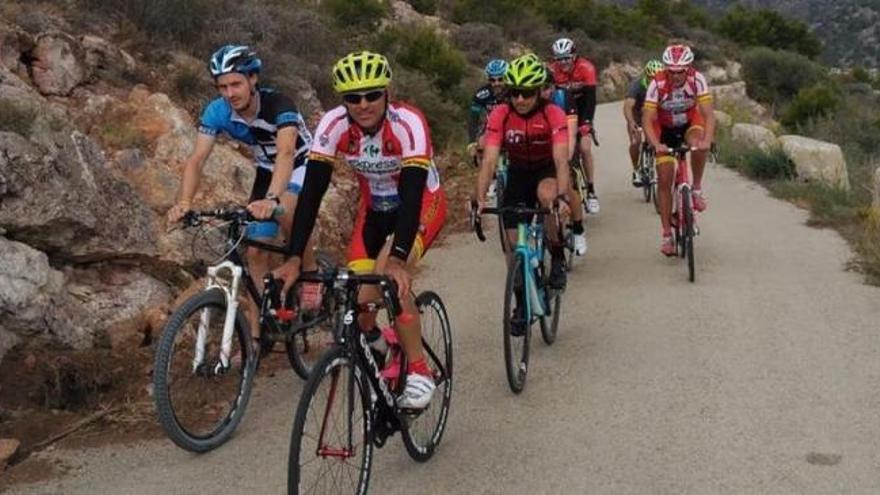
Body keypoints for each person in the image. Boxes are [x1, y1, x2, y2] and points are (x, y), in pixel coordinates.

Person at [273, 51, 447, 409]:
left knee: (389, 279)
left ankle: (419, 370)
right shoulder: (334, 124)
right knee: (358, 302)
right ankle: (383, 345)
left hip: (419, 206)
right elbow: (311, 194)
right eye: (353, 98)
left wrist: (399, 258)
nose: (363, 104)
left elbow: (412, 193)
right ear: (343, 101)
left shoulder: (408, 122)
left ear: (386, 93)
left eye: (372, 95)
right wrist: (293, 257)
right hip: (373, 211)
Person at [166, 44, 317, 340]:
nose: (229, 93)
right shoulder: (217, 112)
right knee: (255, 250)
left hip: (301, 163)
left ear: (253, 79)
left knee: (285, 209)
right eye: (222, 86)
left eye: (236, 83)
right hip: (265, 168)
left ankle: (309, 272)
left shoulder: (279, 104)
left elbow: (286, 153)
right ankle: (261, 333)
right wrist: (184, 202)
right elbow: (197, 159)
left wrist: (272, 200)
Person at [475, 53, 571, 336]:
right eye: (514, 92)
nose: (520, 99)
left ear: (539, 91)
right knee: (512, 249)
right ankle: (520, 304)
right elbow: (490, 161)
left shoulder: (552, 113)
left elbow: (562, 159)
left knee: (547, 197)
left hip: (546, 169)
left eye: (527, 93)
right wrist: (479, 199)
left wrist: (563, 197)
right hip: (517, 173)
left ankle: (557, 254)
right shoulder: (501, 114)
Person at [642, 44, 715, 256]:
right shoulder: (657, 83)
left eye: (680, 71)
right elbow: (647, 119)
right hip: (662, 128)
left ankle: (696, 188)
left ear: (688, 68)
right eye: (671, 71)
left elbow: (709, 115)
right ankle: (666, 234)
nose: (675, 76)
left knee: (699, 143)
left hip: (689, 123)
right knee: (665, 177)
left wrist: (707, 141)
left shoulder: (696, 79)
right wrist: (656, 144)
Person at [548, 37, 600, 213]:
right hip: (562, 111)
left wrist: (586, 123)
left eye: (567, 58)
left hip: (583, 108)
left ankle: (591, 190)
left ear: (575, 56)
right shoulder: (552, 71)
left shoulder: (586, 68)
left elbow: (591, 100)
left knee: (585, 148)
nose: (563, 62)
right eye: (559, 59)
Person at [623, 59, 663, 186]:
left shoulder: (664, 84)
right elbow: (628, 106)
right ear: (646, 76)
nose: (654, 81)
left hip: (654, 117)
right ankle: (636, 170)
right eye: (651, 78)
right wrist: (631, 122)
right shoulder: (637, 85)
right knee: (636, 142)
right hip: (637, 117)